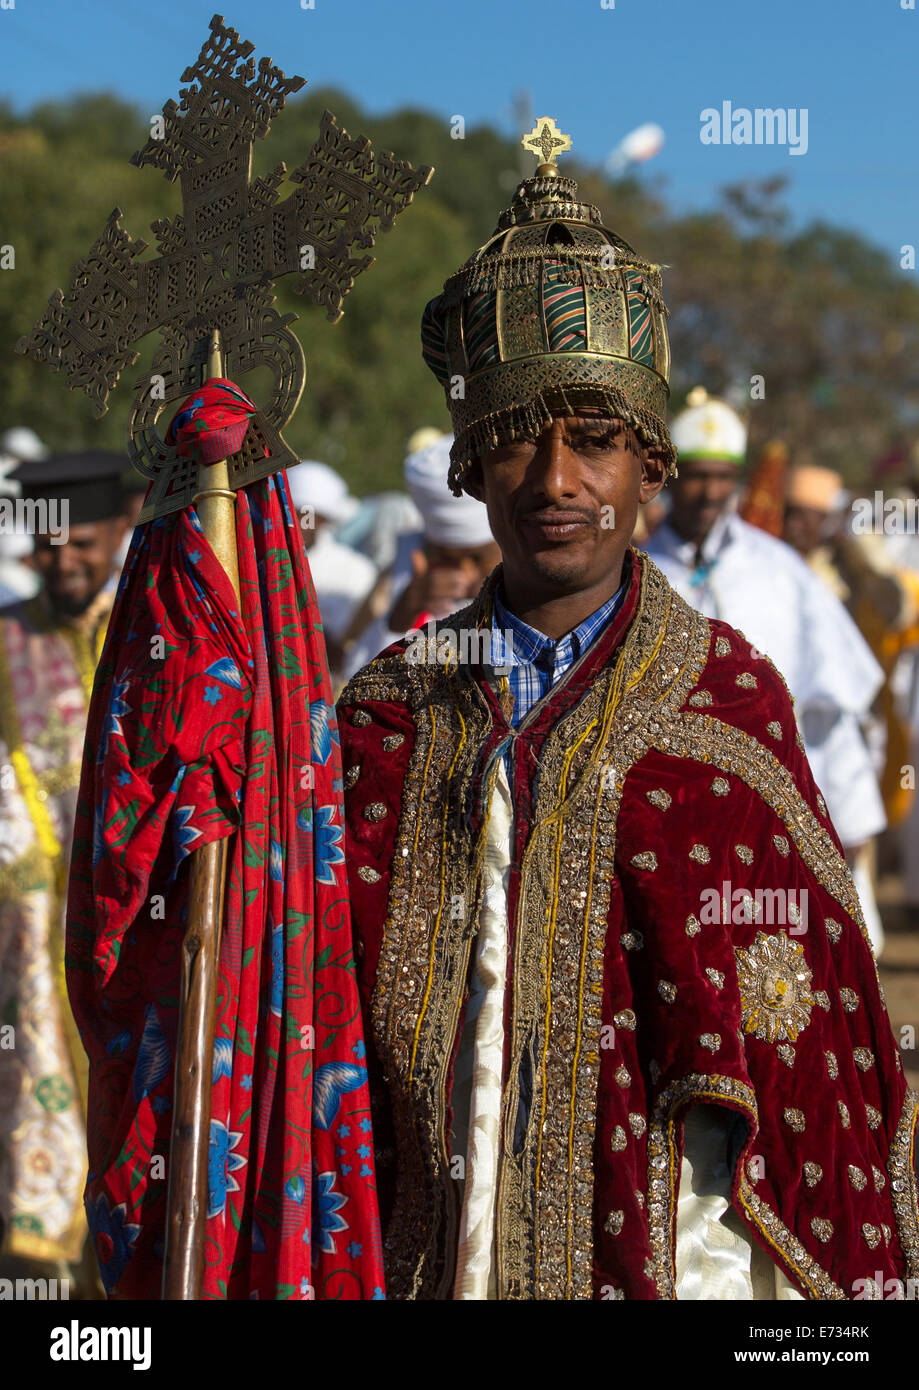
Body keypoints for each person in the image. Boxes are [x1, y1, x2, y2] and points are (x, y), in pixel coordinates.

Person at [337, 122, 919, 1301]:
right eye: (511, 444)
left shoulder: (724, 701)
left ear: (648, 469)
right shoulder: (386, 717)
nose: (554, 481)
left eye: (594, 443)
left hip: (676, 1258)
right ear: (467, 473)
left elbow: (816, 1043)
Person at [644, 392, 888, 955]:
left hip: (774, 797)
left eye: (721, 476)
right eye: (697, 475)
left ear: (738, 480)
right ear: (670, 476)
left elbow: (833, 696)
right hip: (675, 791)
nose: (707, 491)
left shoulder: (780, 569)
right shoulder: (635, 569)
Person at [0, 450, 127, 1293]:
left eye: (80, 542)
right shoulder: (6, 641)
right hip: (28, 944)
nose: (62, 561)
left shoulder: (158, 631)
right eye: (44, 548)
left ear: (120, 530)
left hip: (138, 931)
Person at [342, 433, 499, 679]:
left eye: (478, 559)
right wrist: (403, 615)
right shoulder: (410, 577)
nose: (464, 576)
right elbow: (355, 680)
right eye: (447, 559)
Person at [285, 458, 376, 678]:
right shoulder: (257, 562)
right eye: (297, 513)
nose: (302, 522)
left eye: (309, 515)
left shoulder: (357, 571)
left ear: (325, 519)